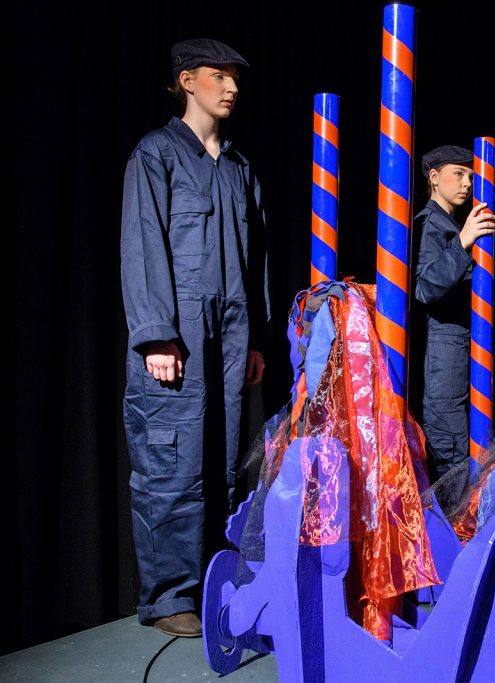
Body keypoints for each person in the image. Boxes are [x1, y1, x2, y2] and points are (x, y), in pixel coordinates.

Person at [120, 38, 269, 638]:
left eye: (235, 77)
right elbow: (141, 246)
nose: (231, 86)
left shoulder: (238, 167)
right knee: (173, 462)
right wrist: (155, 334)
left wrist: (255, 338)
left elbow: (255, 258)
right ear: (186, 80)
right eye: (218, 75)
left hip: (230, 337)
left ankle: (215, 581)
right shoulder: (155, 155)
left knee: (224, 460)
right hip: (176, 335)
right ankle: (168, 597)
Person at [413, 146, 495, 511]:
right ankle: (453, 526)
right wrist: (463, 242)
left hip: (462, 344)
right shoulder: (430, 225)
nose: (467, 183)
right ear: (434, 178)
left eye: (470, 176)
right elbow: (424, 287)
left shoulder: (450, 224)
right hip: (441, 348)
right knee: (449, 444)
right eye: (458, 174)